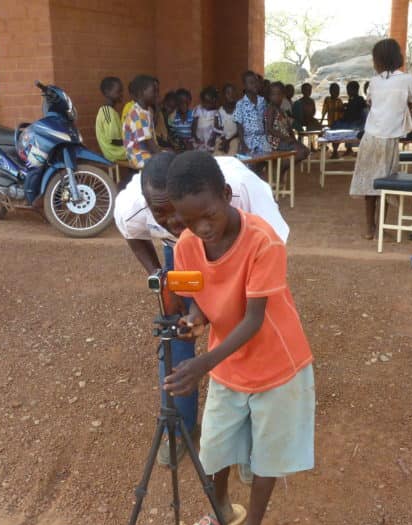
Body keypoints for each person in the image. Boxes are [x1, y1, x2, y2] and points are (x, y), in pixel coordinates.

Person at [163, 151, 314, 525]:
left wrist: (201, 363)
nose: (202, 228)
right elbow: (197, 298)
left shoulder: (263, 241)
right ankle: (223, 509)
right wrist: (194, 319)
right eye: (190, 221)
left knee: (267, 456)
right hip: (227, 365)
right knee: (214, 449)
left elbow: (253, 319)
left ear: (227, 196)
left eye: (208, 215)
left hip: (277, 366)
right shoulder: (187, 246)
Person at [112, 153, 290, 466]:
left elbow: (272, 250)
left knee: (245, 327)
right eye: (162, 214)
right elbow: (133, 235)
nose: (175, 223)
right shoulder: (132, 208)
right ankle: (179, 428)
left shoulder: (241, 188)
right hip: (180, 253)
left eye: (181, 215)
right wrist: (163, 280)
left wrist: (227, 299)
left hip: (239, 245)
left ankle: (251, 426)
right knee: (180, 329)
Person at [350, 38, 412, 239]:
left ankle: (369, 228)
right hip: (388, 140)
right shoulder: (407, 79)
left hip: (370, 138)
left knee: (369, 184)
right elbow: (411, 102)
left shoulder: (374, 82)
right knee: (386, 184)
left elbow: (371, 104)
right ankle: (380, 226)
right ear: (397, 57)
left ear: (378, 60)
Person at [265, 82, 310, 161]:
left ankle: (284, 167)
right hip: (276, 142)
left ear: (283, 95)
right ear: (269, 96)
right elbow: (269, 129)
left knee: (306, 150)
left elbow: (289, 128)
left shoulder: (282, 111)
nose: (276, 97)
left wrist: (293, 139)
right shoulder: (271, 109)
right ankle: (282, 167)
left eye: (279, 94)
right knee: (302, 151)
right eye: (273, 94)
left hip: (285, 140)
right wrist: (285, 138)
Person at [123, 74, 160, 170]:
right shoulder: (137, 114)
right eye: (154, 91)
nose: (157, 95)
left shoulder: (146, 111)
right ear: (141, 93)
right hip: (137, 155)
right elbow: (148, 142)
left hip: (145, 150)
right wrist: (161, 153)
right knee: (163, 163)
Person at [236, 70, 271, 156]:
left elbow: (265, 120)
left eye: (256, 82)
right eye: (251, 82)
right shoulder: (240, 104)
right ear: (245, 85)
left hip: (262, 140)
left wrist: (267, 137)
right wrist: (243, 144)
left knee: (267, 162)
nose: (255, 84)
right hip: (248, 141)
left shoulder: (262, 101)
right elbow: (239, 126)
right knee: (251, 164)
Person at [95, 76, 127, 164]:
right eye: (118, 91)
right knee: (143, 150)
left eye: (122, 91)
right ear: (107, 93)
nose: (121, 94)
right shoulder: (107, 112)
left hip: (117, 150)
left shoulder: (111, 111)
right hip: (114, 152)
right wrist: (130, 141)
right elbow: (114, 140)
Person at [321, 82, 346, 158]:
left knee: (337, 138)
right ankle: (333, 151)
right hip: (330, 122)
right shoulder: (327, 100)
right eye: (334, 90)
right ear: (330, 91)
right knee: (331, 137)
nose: (336, 92)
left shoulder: (339, 101)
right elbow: (324, 111)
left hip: (338, 123)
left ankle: (335, 151)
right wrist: (321, 121)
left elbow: (342, 113)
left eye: (337, 90)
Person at [192, 86, 222, 152]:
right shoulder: (198, 109)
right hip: (199, 136)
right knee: (198, 152)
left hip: (210, 137)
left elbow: (216, 127)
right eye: (205, 102)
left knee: (210, 152)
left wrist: (213, 138)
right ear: (202, 101)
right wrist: (195, 136)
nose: (207, 105)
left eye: (209, 102)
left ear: (214, 101)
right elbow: (194, 124)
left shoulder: (216, 112)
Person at [219, 83, 240, 154]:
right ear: (223, 96)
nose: (231, 95)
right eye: (228, 93)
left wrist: (228, 140)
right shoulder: (220, 111)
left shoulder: (239, 110)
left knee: (232, 154)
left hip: (234, 138)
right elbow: (218, 129)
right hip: (222, 138)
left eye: (233, 93)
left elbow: (240, 129)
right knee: (217, 154)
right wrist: (223, 139)